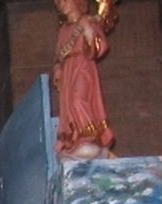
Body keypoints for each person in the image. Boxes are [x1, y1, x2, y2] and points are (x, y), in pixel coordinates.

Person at [52, 0, 116, 158]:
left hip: (83, 66)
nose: (61, 4)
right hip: (68, 71)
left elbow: (100, 47)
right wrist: (58, 68)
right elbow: (59, 55)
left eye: (65, 0)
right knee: (68, 106)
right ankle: (74, 140)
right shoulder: (63, 30)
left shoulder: (88, 21)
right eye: (58, 2)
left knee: (78, 100)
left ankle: (89, 137)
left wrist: (87, 30)